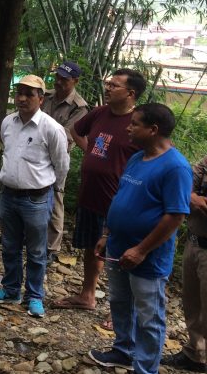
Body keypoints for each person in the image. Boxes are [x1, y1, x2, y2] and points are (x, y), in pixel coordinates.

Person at [88, 103, 191, 374]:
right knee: (120, 302)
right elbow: (121, 197)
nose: (128, 128)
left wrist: (142, 250)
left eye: (134, 124)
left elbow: (175, 216)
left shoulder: (175, 167)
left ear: (153, 129)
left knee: (149, 316)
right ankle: (124, 350)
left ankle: (146, 368)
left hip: (147, 256)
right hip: (118, 246)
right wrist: (107, 234)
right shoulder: (137, 158)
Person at [53, 69, 146, 311]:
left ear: (131, 93)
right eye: (108, 83)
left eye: (114, 85)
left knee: (120, 253)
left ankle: (124, 309)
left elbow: (155, 155)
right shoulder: (100, 113)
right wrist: (91, 151)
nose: (108, 88)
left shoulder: (139, 122)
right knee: (92, 247)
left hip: (119, 199)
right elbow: (76, 130)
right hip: (91, 193)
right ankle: (88, 294)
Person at [0, 75, 69, 318]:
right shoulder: (9, 122)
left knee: (36, 251)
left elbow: (62, 165)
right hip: (8, 195)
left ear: (41, 99)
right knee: (9, 246)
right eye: (19, 92)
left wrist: (54, 192)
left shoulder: (51, 128)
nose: (21, 98)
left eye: (28, 94)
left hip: (37, 198)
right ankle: (11, 289)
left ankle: (34, 296)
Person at [160, 154, 207, 372]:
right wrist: (192, 197)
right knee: (192, 303)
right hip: (195, 241)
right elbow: (186, 185)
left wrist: (194, 197)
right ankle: (195, 355)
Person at [41, 61, 89, 261]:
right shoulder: (46, 96)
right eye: (57, 77)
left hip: (58, 156)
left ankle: (52, 247)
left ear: (75, 81)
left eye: (64, 79)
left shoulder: (79, 107)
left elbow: (68, 135)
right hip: (35, 152)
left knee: (56, 195)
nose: (59, 82)